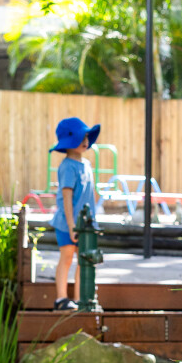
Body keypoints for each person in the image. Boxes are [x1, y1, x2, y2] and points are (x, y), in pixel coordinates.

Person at [50, 116, 99, 311]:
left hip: (86, 224)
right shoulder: (67, 166)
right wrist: (71, 226)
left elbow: (90, 194)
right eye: (81, 137)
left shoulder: (86, 165)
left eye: (87, 137)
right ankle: (61, 298)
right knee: (67, 256)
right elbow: (67, 198)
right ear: (69, 141)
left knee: (84, 260)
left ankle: (81, 298)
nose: (85, 141)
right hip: (67, 222)